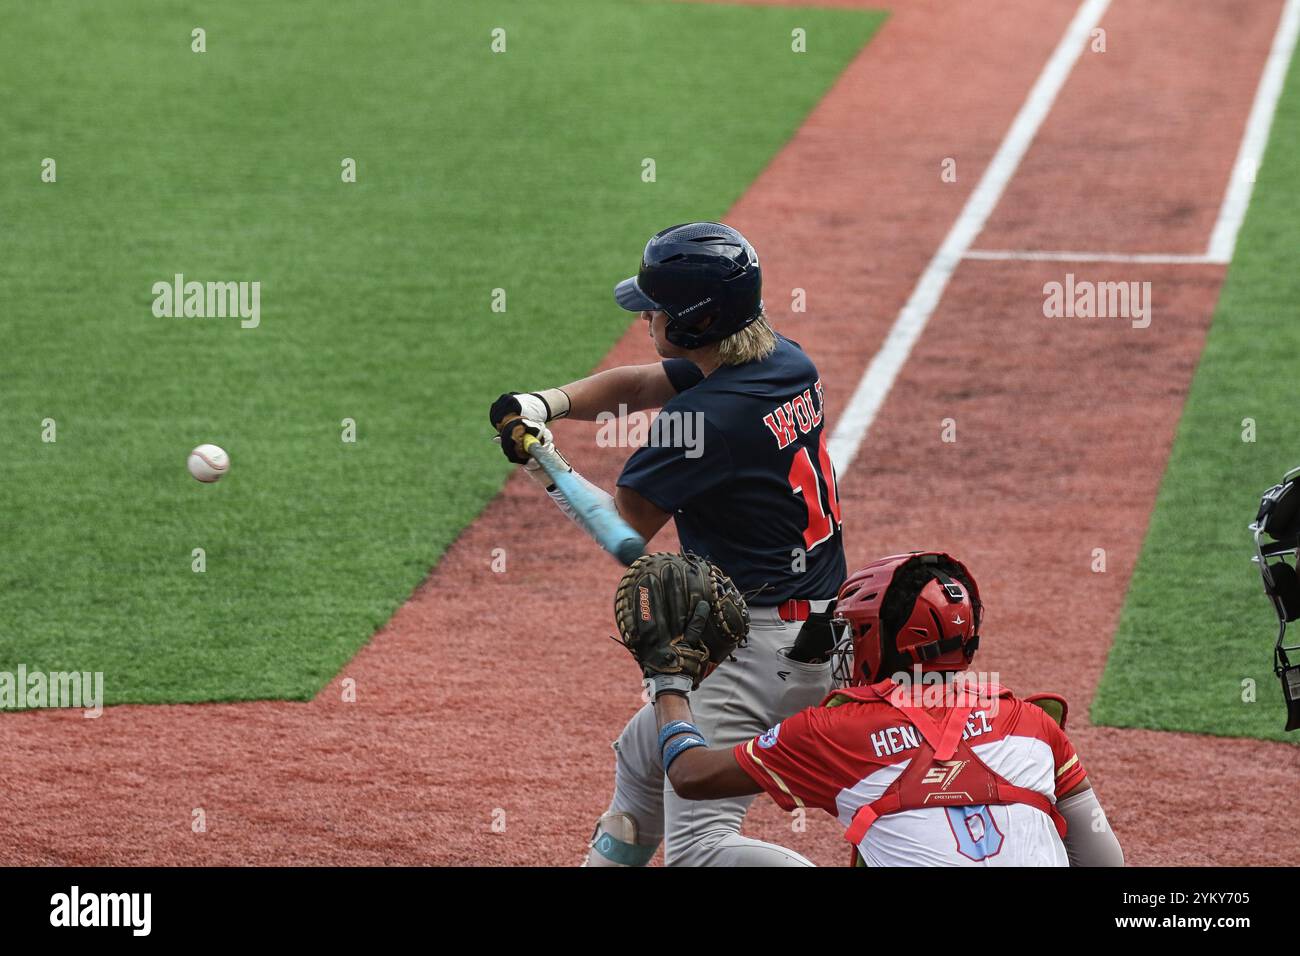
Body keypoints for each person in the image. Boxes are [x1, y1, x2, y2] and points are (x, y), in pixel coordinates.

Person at [489, 222, 846, 866]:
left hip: (752, 651)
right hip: (813, 633)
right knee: (642, 754)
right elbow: (637, 386)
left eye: (655, 307)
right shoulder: (784, 361)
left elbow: (623, 532)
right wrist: (545, 404)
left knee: (700, 853)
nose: (645, 316)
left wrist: (544, 464)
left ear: (690, 323)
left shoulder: (702, 422)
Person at [638, 550, 1124, 866]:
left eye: (856, 630)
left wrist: (670, 681)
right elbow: (1105, 860)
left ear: (879, 641)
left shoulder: (832, 731)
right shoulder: (1032, 722)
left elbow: (691, 775)